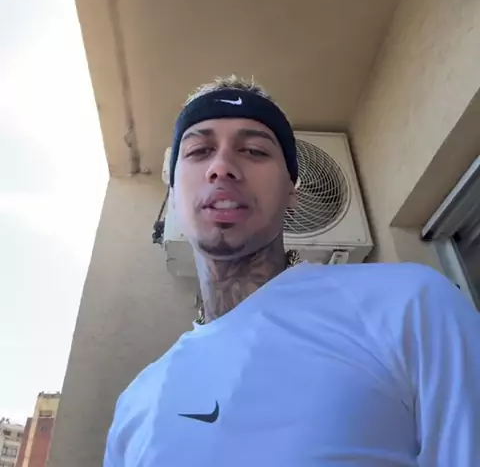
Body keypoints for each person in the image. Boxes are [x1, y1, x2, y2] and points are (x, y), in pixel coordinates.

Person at [105, 76, 480, 466]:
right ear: (173, 195)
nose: (222, 167)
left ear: (292, 192)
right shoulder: (136, 405)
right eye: (199, 151)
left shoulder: (408, 306)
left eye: (254, 150)